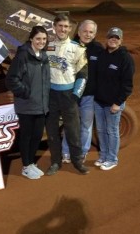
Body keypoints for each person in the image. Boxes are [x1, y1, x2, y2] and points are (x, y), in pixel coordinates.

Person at [45, 14, 90, 175]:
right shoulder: (47, 46)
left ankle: (77, 162)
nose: (63, 29)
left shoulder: (78, 48)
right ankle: (55, 162)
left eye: (66, 26)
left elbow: (83, 75)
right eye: (60, 26)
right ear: (54, 27)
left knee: (73, 131)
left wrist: (75, 95)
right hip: (51, 96)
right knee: (51, 132)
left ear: (70, 29)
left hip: (68, 95)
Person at [5, 26, 50, 179]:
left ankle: (31, 163)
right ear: (31, 39)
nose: (41, 42)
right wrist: (26, 93)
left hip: (41, 105)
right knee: (26, 136)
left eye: (44, 39)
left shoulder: (43, 55)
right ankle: (25, 166)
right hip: (27, 105)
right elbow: (11, 79)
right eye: (38, 38)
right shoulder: (23, 55)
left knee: (37, 136)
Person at [61, 20, 104, 163]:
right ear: (78, 32)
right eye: (85, 31)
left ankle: (82, 152)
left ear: (95, 34)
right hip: (71, 95)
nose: (88, 34)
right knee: (70, 125)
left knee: (86, 126)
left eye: (91, 32)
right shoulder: (68, 46)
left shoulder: (98, 49)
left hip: (89, 97)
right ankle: (66, 152)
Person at [94, 27, 135, 170]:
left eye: (116, 38)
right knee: (100, 130)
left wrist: (118, 103)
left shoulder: (125, 58)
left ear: (121, 40)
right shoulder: (102, 55)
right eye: (111, 36)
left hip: (113, 104)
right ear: (106, 38)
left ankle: (112, 159)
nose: (113, 39)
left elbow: (127, 85)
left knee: (112, 131)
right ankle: (103, 156)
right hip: (98, 101)